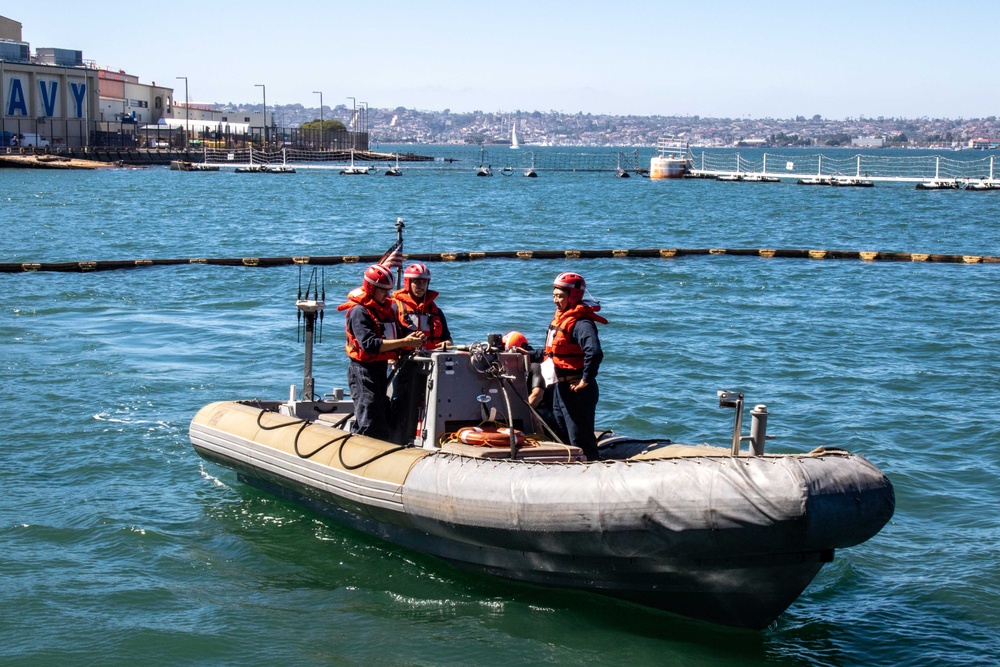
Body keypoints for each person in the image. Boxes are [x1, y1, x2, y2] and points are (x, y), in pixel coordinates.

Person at [338, 264, 425, 440]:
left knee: (381, 410)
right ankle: (364, 449)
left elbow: (400, 329)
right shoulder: (359, 312)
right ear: (371, 288)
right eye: (383, 291)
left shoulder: (386, 309)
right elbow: (369, 344)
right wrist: (404, 342)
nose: (387, 295)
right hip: (363, 370)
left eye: (389, 290)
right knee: (370, 413)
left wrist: (412, 335)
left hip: (380, 368)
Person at [527, 272, 607, 461]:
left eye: (559, 296)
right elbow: (551, 353)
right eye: (554, 295)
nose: (555, 300)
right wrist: (528, 354)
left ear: (573, 296)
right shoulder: (561, 320)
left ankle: (591, 473)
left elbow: (594, 352)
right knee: (561, 434)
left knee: (580, 439)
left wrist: (585, 380)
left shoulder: (581, 323)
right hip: (560, 390)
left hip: (576, 391)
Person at [503, 331, 558, 437]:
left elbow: (537, 395)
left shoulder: (535, 366)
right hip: (526, 406)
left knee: (532, 416)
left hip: (544, 410)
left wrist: (519, 412)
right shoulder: (514, 368)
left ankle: (543, 442)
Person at [392, 263, 452, 351]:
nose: (421, 286)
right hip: (405, 359)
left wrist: (446, 344)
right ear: (408, 282)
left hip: (432, 358)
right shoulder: (395, 308)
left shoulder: (436, 311)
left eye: (424, 282)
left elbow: (448, 339)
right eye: (417, 282)